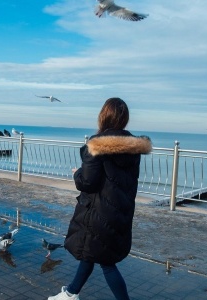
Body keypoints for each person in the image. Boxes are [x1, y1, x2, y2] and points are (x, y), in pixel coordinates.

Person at [48, 97, 152, 300]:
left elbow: (87, 182)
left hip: (99, 211)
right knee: (93, 251)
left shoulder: (97, 145)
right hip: (119, 210)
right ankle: (70, 293)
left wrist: (76, 173)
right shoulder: (132, 148)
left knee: (105, 261)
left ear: (103, 116)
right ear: (124, 119)